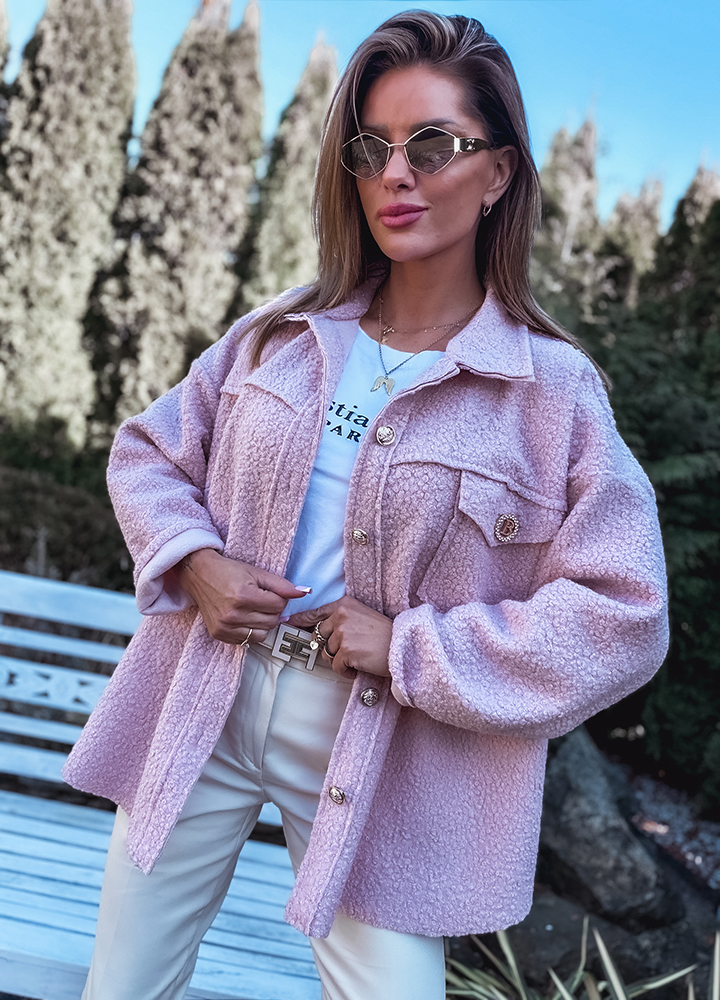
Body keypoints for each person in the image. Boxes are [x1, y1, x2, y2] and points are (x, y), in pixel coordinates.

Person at [64, 10, 669, 1000]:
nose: (396, 173)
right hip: (205, 700)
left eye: (432, 145)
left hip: (383, 751)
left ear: (498, 173)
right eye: (371, 147)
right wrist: (196, 563)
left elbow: (624, 616)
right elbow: (148, 453)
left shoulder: (552, 394)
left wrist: (413, 647)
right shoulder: (280, 333)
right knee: (121, 985)